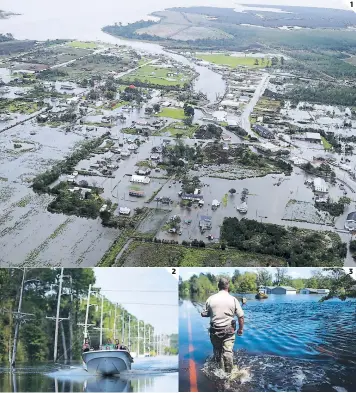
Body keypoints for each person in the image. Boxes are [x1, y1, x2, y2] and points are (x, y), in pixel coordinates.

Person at [201, 277, 244, 374]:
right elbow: (241, 317)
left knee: (217, 351)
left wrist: (208, 313)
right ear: (228, 285)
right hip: (229, 331)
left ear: (218, 286)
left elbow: (205, 313)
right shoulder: (233, 299)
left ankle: (218, 370)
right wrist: (240, 330)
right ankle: (228, 374)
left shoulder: (210, 299)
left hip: (215, 331)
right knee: (228, 352)